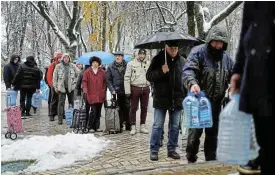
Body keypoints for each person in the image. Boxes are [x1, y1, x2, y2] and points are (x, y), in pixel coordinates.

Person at [230, 2, 274, 175]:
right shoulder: (252, 3)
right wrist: (238, 70)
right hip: (257, 74)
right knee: (264, 135)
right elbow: (245, 33)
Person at [182, 24, 233, 163]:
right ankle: (191, 158)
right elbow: (188, 71)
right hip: (199, 101)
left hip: (216, 103)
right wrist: (193, 83)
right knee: (194, 136)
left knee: (213, 136)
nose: (218, 45)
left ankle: (210, 162)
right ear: (210, 40)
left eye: (221, 42)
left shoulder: (226, 59)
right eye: (215, 41)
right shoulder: (198, 52)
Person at [146, 41, 187, 161]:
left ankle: (172, 149)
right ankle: (154, 150)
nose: (174, 51)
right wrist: (161, 71)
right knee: (157, 125)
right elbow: (149, 76)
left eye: (176, 48)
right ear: (166, 48)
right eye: (171, 48)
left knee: (174, 126)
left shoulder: (182, 61)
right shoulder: (158, 59)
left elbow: (186, 78)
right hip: (161, 98)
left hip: (177, 98)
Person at [124, 49, 151, 135]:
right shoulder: (131, 64)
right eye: (140, 54)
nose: (141, 56)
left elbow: (151, 76)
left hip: (146, 88)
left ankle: (142, 125)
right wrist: (127, 91)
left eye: (143, 54)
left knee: (144, 108)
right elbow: (127, 77)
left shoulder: (148, 63)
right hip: (135, 87)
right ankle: (133, 126)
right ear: (137, 54)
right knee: (133, 108)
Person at [107, 51, 130, 132]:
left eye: (119, 56)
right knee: (118, 108)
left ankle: (128, 124)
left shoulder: (128, 65)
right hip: (116, 91)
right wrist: (112, 89)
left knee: (127, 107)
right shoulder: (110, 67)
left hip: (126, 90)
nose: (117, 57)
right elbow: (108, 80)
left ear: (122, 57)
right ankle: (119, 124)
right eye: (116, 56)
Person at [53, 53, 79, 124]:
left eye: (67, 58)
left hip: (71, 88)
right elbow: (55, 77)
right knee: (61, 104)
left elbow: (78, 74)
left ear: (69, 59)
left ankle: (72, 119)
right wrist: (55, 86)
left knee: (71, 103)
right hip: (61, 88)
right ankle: (60, 119)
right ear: (62, 59)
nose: (66, 59)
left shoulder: (73, 66)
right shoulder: (58, 66)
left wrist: (75, 82)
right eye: (65, 58)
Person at [82, 56, 106, 132]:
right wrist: (85, 89)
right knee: (93, 111)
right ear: (91, 63)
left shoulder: (102, 72)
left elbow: (105, 82)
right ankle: (90, 126)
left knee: (99, 111)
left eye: (96, 62)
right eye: (93, 62)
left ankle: (97, 126)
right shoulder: (87, 72)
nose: (95, 64)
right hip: (91, 94)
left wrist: (103, 90)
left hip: (100, 94)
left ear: (99, 63)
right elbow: (84, 81)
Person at [47, 53, 63, 121]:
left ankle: (61, 113)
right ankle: (52, 114)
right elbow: (49, 76)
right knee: (54, 100)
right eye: (58, 58)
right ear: (57, 58)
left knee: (61, 100)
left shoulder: (63, 65)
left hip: (61, 86)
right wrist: (51, 85)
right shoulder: (52, 65)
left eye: (60, 58)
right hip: (54, 85)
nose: (59, 59)